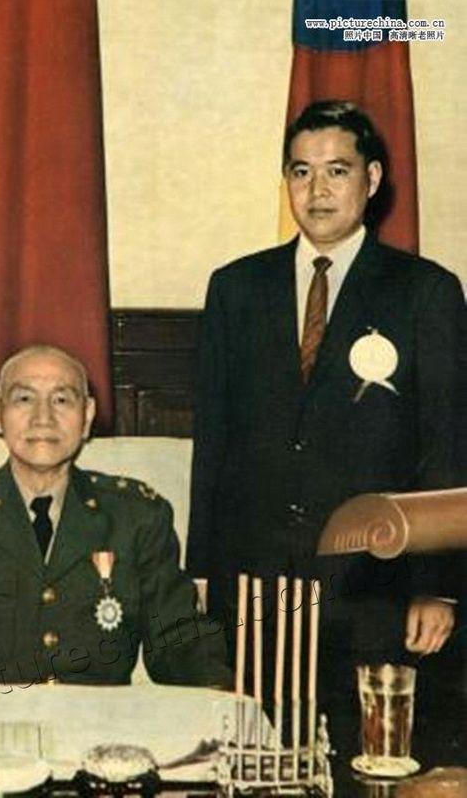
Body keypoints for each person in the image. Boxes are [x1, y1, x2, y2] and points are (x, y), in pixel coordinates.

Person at [187, 101, 465, 694]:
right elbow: (212, 441)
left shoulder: (426, 292)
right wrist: (204, 571)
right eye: (301, 171)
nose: (317, 190)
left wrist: (438, 586)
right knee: (254, 740)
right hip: (255, 585)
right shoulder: (235, 288)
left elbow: (447, 447)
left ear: (372, 179)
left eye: (337, 170)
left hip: (374, 584)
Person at [0, 344, 230, 686]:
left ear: (87, 416)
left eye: (61, 400)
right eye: (24, 399)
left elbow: (179, 642)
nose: (43, 418)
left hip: (102, 721)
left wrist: (222, 695)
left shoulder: (137, 517)